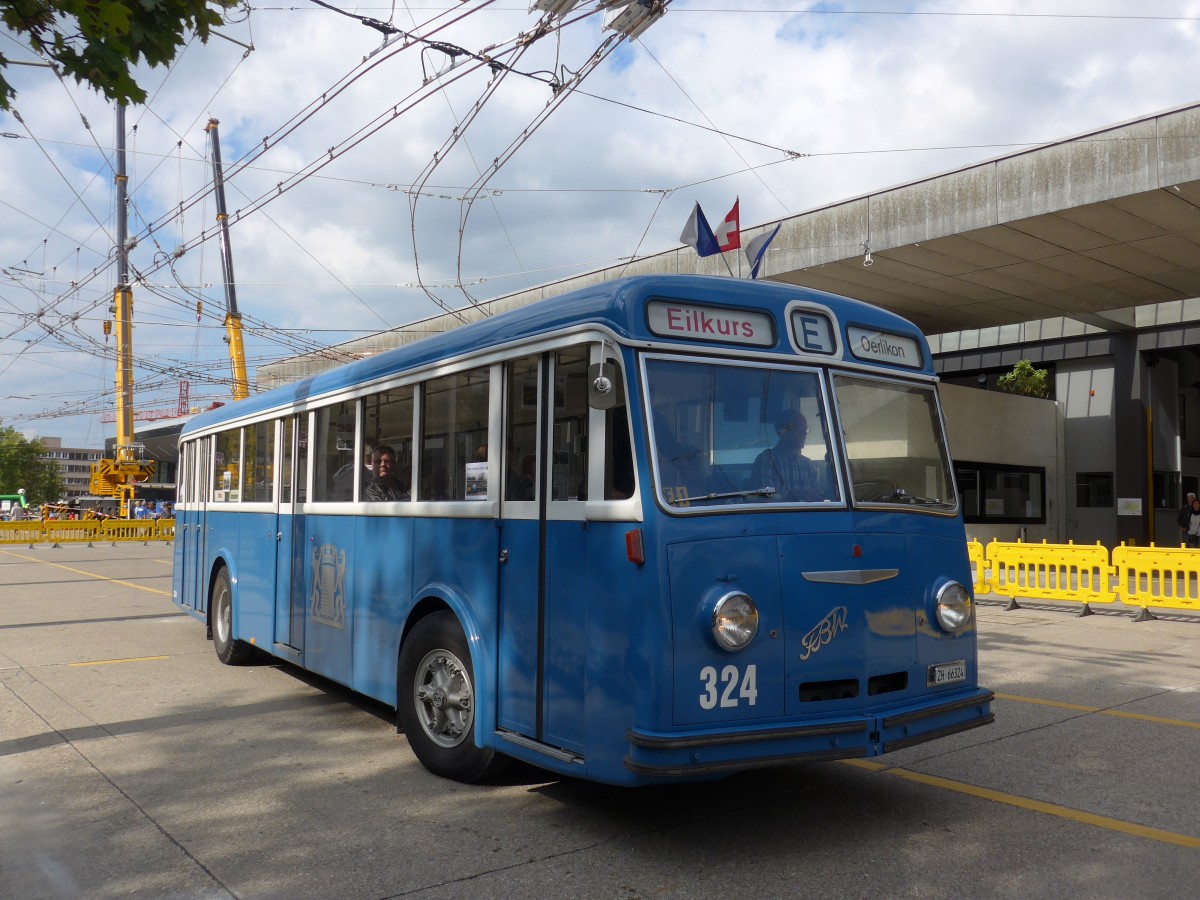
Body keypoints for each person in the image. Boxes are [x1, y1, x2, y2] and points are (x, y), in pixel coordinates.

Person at [750, 409, 824, 501]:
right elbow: (765, 496)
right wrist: (798, 494)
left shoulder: (808, 465)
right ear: (783, 432)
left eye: (806, 429)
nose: (804, 433)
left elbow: (817, 497)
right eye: (800, 428)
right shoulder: (767, 460)